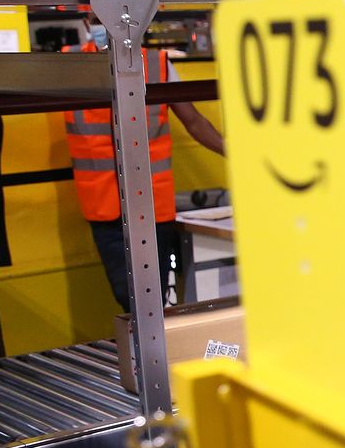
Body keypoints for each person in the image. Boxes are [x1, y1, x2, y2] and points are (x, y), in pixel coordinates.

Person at [64, 19, 225, 311]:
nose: (107, 24)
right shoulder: (69, 65)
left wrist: (237, 152)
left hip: (152, 205)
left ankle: (155, 339)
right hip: (103, 205)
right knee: (126, 295)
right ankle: (141, 339)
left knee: (153, 293)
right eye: (98, 19)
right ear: (87, 21)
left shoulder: (157, 65)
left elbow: (194, 121)